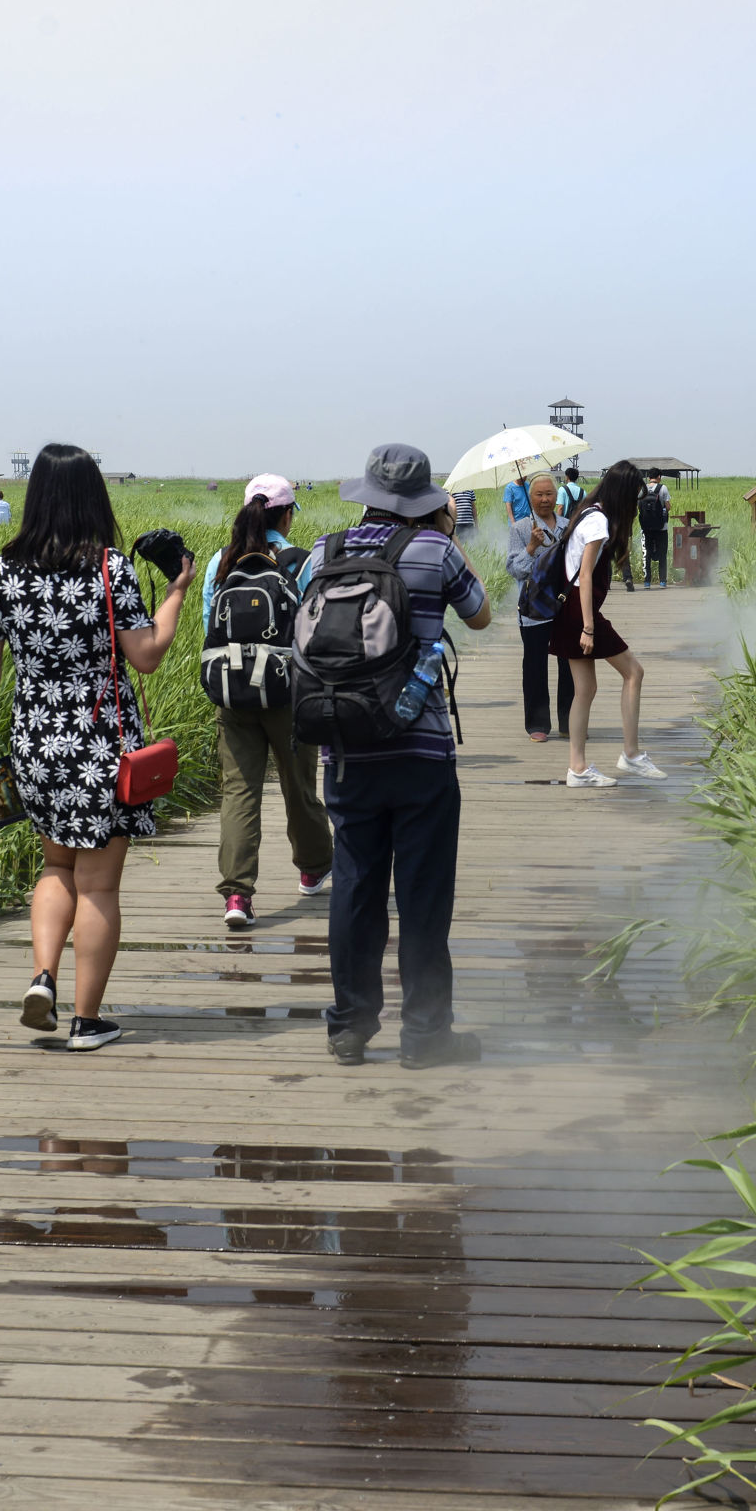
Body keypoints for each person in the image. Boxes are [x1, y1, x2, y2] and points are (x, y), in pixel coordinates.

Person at [0, 443, 195, 1051]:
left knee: (56, 866)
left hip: (36, 743)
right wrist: (176, 591)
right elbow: (147, 656)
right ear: (93, 496)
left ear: (35, 495)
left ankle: (43, 977)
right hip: (102, 744)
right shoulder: (110, 569)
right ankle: (87, 1021)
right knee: (99, 885)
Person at [297, 444, 492, 1070]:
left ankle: (349, 1028)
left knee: (355, 888)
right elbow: (481, 615)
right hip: (420, 749)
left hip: (344, 748)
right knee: (423, 897)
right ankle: (426, 1036)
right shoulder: (436, 550)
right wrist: (448, 537)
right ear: (424, 500)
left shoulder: (323, 553)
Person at [201, 474, 332, 931]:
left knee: (239, 792)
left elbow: (209, 625)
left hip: (232, 692)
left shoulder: (222, 561)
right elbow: (315, 629)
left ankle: (237, 894)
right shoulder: (302, 561)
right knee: (299, 786)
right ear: (287, 515)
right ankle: (313, 868)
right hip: (288, 693)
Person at [551, 459, 665, 787]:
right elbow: (585, 575)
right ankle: (631, 755)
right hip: (579, 609)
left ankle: (577, 768)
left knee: (586, 689)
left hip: (569, 609)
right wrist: (588, 627)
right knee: (634, 673)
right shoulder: (599, 521)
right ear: (622, 493)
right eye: (633, 496)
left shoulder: (587, 512)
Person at [507, 473, 575, 743]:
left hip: (565, 605)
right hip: (534, 608)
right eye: (539, 494)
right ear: (531, 497)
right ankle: (537, 724)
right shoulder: (520, 528)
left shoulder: (568, 526)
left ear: (556, 496)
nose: (545, 499)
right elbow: (515, 570)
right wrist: (531, 547)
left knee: (570, 664)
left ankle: (570, 721)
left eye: (549, 494)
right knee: (535, 665)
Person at [638, 468, 672, 588]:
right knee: (662, 554)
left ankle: (647, 582)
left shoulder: (643, 489)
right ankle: (662, 581)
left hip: (647, 527)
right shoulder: (663, 488)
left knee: (647, 553)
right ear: (659, 477)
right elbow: (668, 507)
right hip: (661, 527)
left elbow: (639, 507)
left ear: (648, 478)